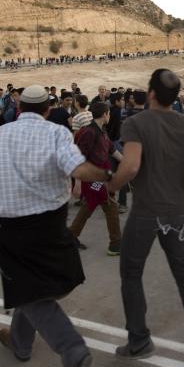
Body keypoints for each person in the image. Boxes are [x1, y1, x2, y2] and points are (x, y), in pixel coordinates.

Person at [0, 85, 111, 367]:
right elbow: (78, 169)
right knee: (31, 288)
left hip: (16, 230)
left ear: (19, 108)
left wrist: (8, 181)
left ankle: (73, 351)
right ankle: (20, 343)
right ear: (48, 109)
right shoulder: (57, 133)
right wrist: (108, 176)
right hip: (52, 225)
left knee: (29, 294)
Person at [106, 69, 184, 360]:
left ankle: (139, 341)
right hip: (176, 214)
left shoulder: (136, 123)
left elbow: (131, 167)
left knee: (131, 274)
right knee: (183, 272)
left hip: (145, 213)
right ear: (175, 97)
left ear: (151, 93)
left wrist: (112, 185)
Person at [69, 102, 124, 255]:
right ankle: (115, 244)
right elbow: (79, 157)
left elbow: (112, 151)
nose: (110, 115)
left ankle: (71, 236)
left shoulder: (102, 131)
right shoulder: (89, 132)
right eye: (109, 113)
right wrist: (78, 183)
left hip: (101, 174)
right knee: (110, 205)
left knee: (89, 206)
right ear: (105, 114)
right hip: (92, 176)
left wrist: (127, 163)